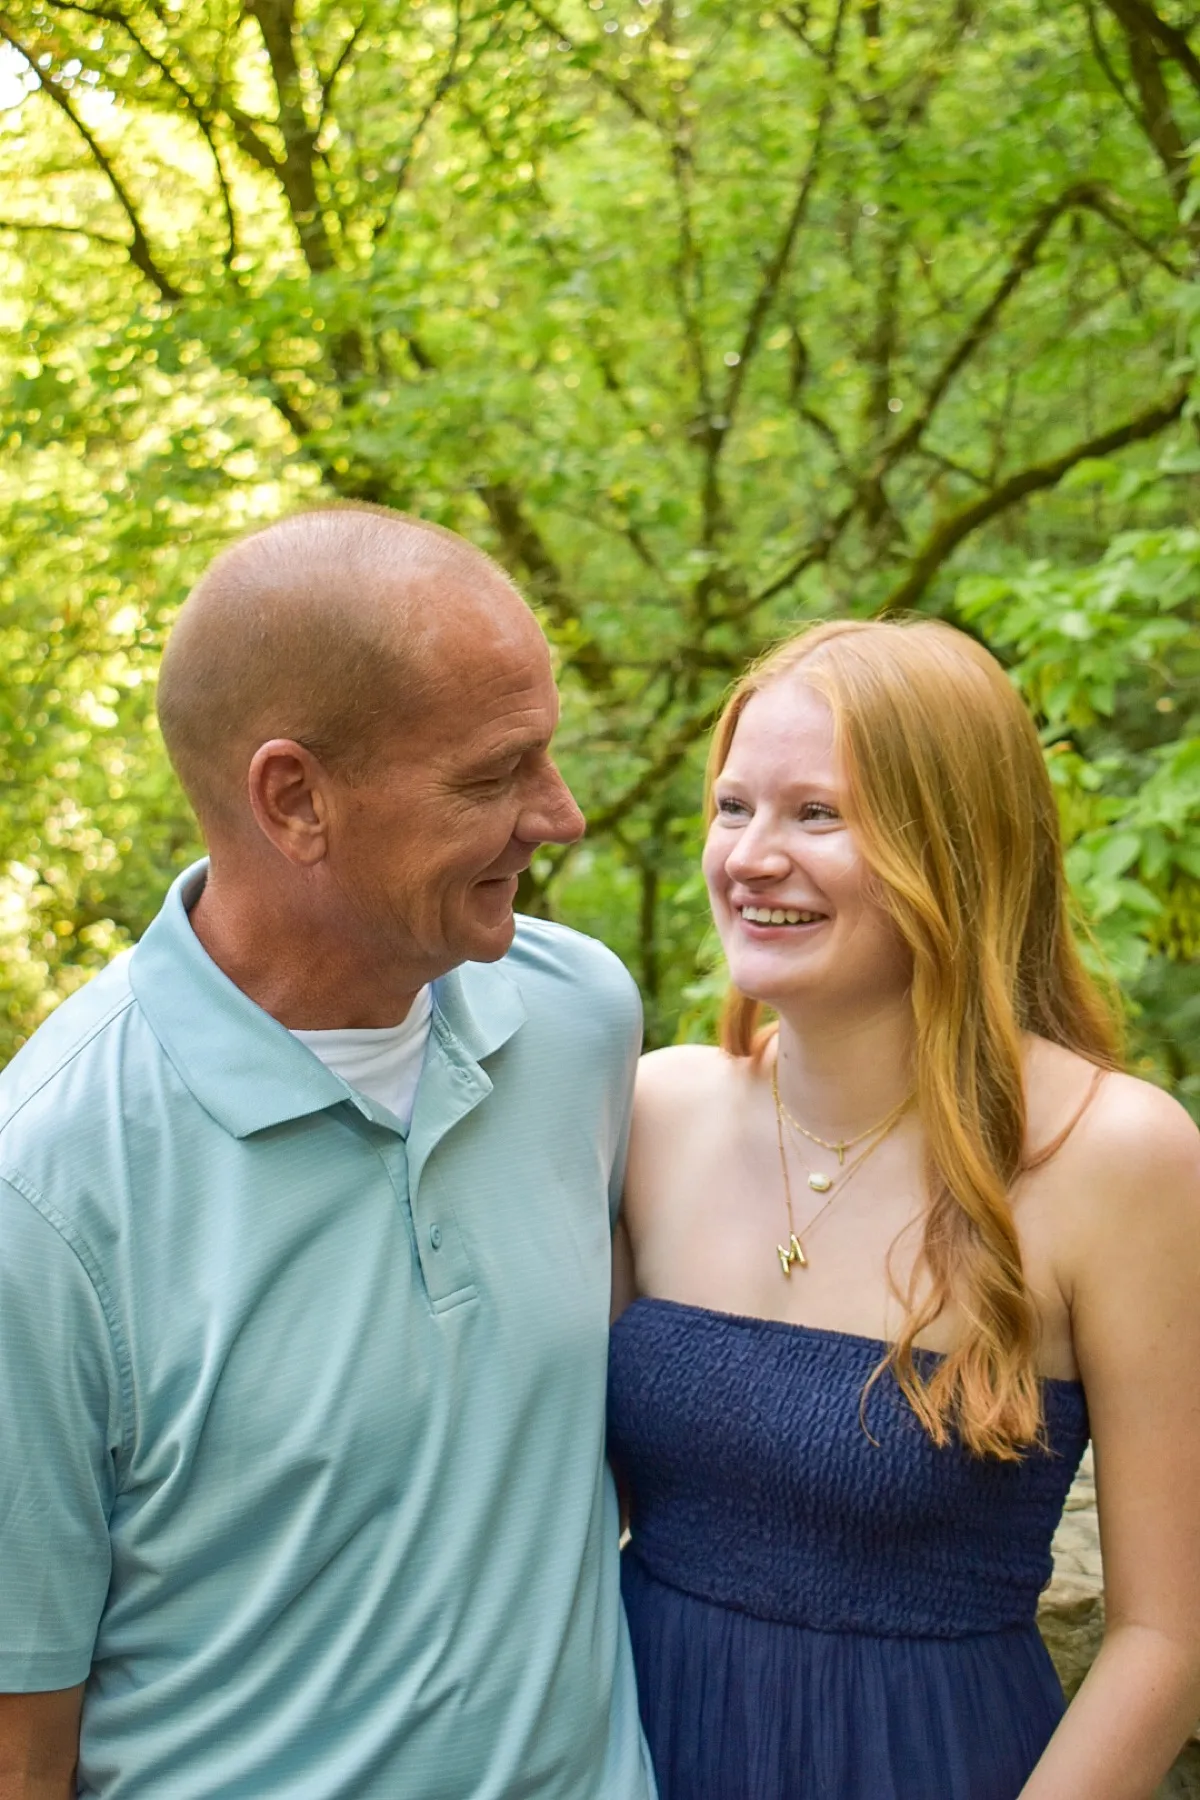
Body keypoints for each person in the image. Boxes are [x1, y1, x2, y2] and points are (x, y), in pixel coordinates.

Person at [0, 505, 657, 1800]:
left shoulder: (582, 1020)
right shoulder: (47, 1195)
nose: (562, 816)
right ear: (294, 798)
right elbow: (21, 1738)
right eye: (492, 775)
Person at [608, 617, 1200, 1800]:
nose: (752, 857)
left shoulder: (1118, 1156)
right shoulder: (651, 1111)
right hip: (631, 1755)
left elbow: (1165, 1639)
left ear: (957, 845)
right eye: (734, 808)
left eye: (817, 815)